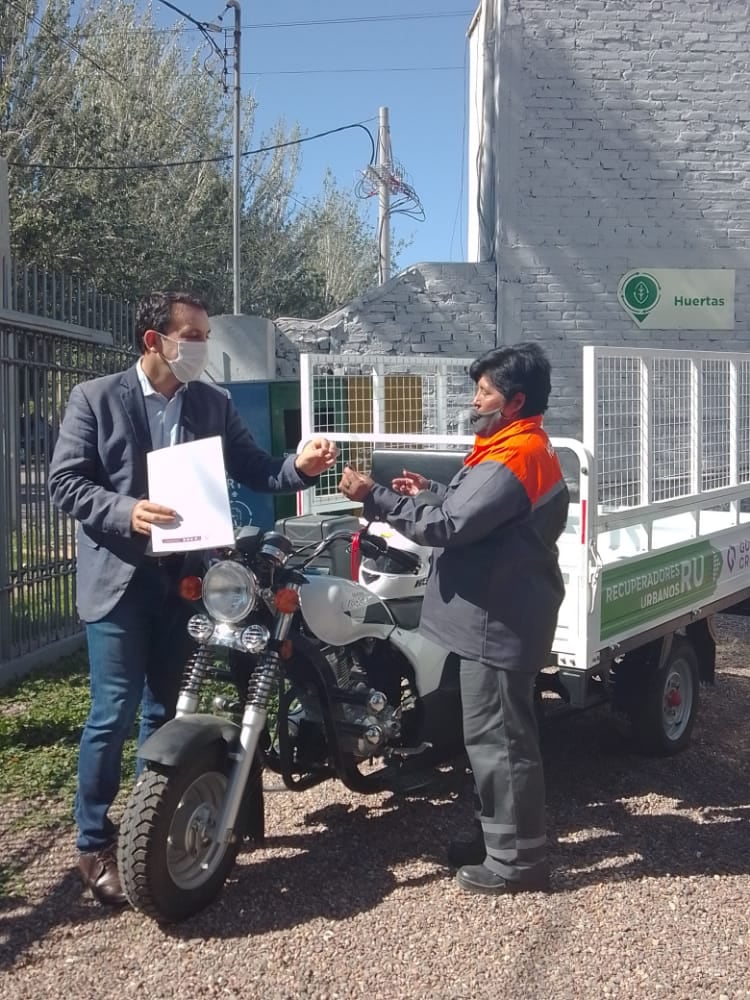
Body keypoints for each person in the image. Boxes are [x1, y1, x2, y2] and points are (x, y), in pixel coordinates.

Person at [48, 290, 338, 906]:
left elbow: (258, 469)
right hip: (120, 582)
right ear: (155, 341)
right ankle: (94, 841)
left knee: (166, 709)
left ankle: (149, 827)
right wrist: (129, 511)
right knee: (112, 712)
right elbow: (66, 482)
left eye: (204, 334)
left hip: (185, 582)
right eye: (194, 335)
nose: (203, 346)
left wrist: (302, 469)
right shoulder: (96, 399)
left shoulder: (211, 402)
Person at [339, 342, 568, 896]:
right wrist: (433, 492)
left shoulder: (515, 456)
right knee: (489, 740)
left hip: (498, 621)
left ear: (513, 401)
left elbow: (448, 528)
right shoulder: (514, 446)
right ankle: (498, 839)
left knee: (500, 744)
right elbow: (477, 515)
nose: (474, 399)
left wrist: (376, 498)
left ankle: (516, 862)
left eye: (484, 391)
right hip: (498, 615)